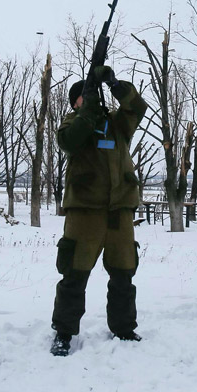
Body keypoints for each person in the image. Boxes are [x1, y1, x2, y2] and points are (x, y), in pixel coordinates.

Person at [50, 67, 147, 356]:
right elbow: (70, 141)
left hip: (119, 210)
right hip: (85, 212)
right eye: (82, 97)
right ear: (75, 103)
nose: (89, 99)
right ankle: (64, 333)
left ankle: (124, 327)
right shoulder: (72, 124)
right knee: (74, 274)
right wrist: (87, 111)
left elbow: (136, 107)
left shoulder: (116, 124)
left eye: (92, 95)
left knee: (123, 273)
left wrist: (114, 84)